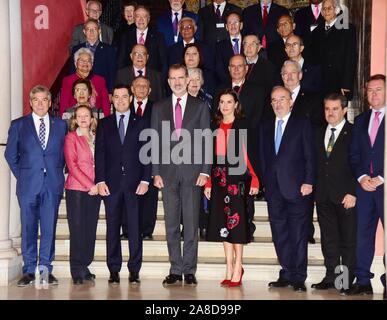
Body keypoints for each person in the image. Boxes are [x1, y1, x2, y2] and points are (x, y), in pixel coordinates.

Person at [151, 64, 211, 287]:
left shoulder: (200, 106)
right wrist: (155, 172)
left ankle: (189, 269)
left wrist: (205, 170)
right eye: (172, 78)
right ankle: (175, 269)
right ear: (168, 82)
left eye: (180, 77)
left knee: (191, 222)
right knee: (171, 224)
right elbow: (154, 142)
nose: (177, 82)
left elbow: (206, 140)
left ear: (188, 80)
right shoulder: (159, 107)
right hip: (167, 175)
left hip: (192, 173)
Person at [5, 85, 67, 287]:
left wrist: (56, 172)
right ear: (30, 102)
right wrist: (23, 175)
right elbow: (10, 155)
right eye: (36, 100)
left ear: (50, 103)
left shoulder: (61, 125)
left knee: (49, 229)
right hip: (28, 186)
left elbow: (63, 155)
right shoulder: (18, 125)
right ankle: (29, 270)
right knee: (29, 228)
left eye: (44, 100)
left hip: (52, 185)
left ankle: (46, 269)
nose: (40, 104)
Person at [259, 86, 315, 292]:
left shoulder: (302, 124)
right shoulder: (265, 125)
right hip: (274, 190)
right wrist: (266, 181)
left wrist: (309, 181)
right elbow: (264, 158)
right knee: (279, 232)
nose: (278, 103)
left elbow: (310, 155)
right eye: (274, 100)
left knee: (298, 233)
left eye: (282, 99)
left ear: (291, 101)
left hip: (298, 188)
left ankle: (299, 276)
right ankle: (287, 272)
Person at [95, 84, 151, 285]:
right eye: (116, 96)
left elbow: (147, 154)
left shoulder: (142, 122)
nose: (120, 100)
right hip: (111, 185)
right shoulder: (104, 124)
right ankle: (114, 269)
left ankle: (134, 270)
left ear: (131, 98)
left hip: (135, 184)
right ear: (112, 99)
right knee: (112, 228)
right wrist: (100, 180)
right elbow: (99, 155)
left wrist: (146, 179)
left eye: (124, 96)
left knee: (135, 228)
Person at [204, 89, 259, 287]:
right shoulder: (214, 126)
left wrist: (255, 178)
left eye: (229, 102)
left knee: (237, 225)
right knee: (223, 225)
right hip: (219, 180)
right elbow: (209, 157)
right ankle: (228, 267)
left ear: (236, 105)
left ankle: (238, 267)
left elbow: (250, 154)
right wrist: (209, 182)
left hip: (237, 180)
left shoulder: (244, 124)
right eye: (222, 102)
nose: (225, 105)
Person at [311, 93, 356, 292]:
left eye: (335, 109)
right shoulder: (318, 132)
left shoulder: (354, 132)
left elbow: (360, 164)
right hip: (323, 195)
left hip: (346, 196)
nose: (330, 113)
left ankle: (344, 281)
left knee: (347, 240)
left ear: (345, 110)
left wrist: (353, 191)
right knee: (329, 240)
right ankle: (331, 277)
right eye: (327, 108)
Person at [348, 74, 386, 297]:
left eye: (378, 89)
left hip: (385, 187)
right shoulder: (361, 120)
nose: (373, 94)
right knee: (362, 234)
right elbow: (354, 155)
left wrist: (381, 177)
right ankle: (363, 280)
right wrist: (362, 177)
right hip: (364, 188)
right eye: (370, 90)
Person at [64, 105, 101, 285]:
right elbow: (72, 166)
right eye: (80, 116)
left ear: (92, 118)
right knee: (77, 229)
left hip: (95, 190)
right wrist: (90, 185)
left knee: (90, 229)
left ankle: (85, 266)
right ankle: (76, 269)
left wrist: (98, 185)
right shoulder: (71, 138)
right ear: (75, 119)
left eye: (86, 115)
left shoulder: (97, 137)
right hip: (77, 189)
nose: (83, 119)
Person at [309, 0, 356, 100]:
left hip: (339, 82)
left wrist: (346, 84)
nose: (326, 11)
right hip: (320, 82)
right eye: (324, 9)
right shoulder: (316, 32)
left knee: (338, 111)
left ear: (337, 10)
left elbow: (350, 57)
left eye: (329, 8)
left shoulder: (347, 29)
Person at [129, 76, 158, 240]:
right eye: (137, 85)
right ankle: (127, 229)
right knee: (128, 195)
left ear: (150, 90)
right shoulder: (124, 107)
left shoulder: (157, 108)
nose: (141, 88)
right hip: (129, 160)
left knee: (150, 197)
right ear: (132, 89)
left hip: (151, 159)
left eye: (144, 86)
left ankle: (147, 230)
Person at [116, 5, 167, 77]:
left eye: (144, 16)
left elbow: (164, 62)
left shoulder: (158, 37)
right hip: (130, 80)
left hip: (152, 80)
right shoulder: (126, 36)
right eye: (138, 16)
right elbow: (120, 61)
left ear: (148, 19)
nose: (141, 19)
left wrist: (160, 81)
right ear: (134, 18)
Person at [60, 48, 110, 118]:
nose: (85, 63)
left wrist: (106, 122)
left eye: (88, 61)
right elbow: (64, 106)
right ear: (75, 63)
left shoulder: (100, 80)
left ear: (92, 64)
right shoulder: (68, 81)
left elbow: (106, 106)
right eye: (82, 61)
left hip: (97, 120)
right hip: (74, 120)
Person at [70, 18, 117, 93]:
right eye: (88, 29)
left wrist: (110, 92)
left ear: (99, 31)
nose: (91, 32)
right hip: (81, 91)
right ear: (84, 32)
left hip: (102, 90)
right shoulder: (76, 49)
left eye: (94, 29)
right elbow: (72, 72)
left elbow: (112, 73)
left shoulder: (109, 49)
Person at [215, 12, 244, 84]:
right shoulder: (220, 46)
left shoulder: (248, 41)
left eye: (235, 22)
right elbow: (219, 69)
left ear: (241, 25)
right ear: (226, 27)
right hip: (228, 84)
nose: (233, 25)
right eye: (230, 23)